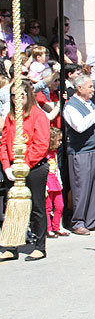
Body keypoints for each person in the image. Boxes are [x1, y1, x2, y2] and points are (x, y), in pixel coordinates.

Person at [0, 82, 51, 262]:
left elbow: (41, 144)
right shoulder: (11, 117)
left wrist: (25, 164)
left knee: (37, 207)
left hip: (34, 167)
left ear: (28, 95)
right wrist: (6, 166)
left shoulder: (38, 115)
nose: (17, 99)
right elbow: (4, 142)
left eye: (20, 95)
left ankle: (39, 246)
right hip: (13, 169)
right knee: (12, 206)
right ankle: (11, 246)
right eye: (13, 95)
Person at [63, 75, 95, 234]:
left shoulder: (90, 103)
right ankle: (78, 222)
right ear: (79, 88)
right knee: (81, 188)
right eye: (90, 87)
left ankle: (91, 220)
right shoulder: (70, 106)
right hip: (81, 152)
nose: (92, 90)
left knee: (94, 188)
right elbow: (80, 126)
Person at [45, 127, 67, 238]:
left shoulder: (55, 153)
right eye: (58, 140)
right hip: (48, 183)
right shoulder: (44, 154)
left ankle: (56, 226)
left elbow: (57, 167)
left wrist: (60, 181)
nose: (60, 143)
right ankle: (48, 228)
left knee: (60, 205)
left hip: (55, 181)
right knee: (48, 207)